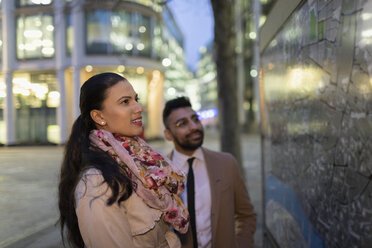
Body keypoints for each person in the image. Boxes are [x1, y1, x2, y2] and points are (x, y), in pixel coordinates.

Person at [58, 72, 190, 248]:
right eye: (125, 102)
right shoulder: (97, 182)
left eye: (136, 99)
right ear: (99, 117)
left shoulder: (140, 161)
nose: (138, 108)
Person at [162, 97, 257, 248]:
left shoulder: (226, 164)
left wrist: (242, 244)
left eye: (195, 119)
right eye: (182, 124)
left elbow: (246, 215)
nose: (193, 127)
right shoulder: (159, 173)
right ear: (168, 134)